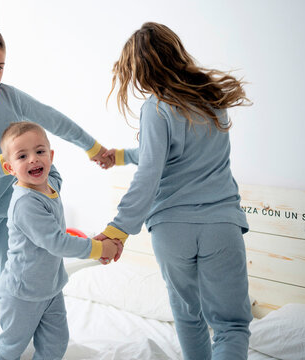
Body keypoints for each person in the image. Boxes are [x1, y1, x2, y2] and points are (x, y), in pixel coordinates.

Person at [95, 22, 253, 359]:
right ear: (176, 52)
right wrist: (122, 156)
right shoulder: (212, 99)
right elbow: (170, 153)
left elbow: (152, 169)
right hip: (220, 225)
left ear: (140, 71)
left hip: (171, 229)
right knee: (231, 326)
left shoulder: (156, 107)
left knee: (188, 316)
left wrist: (117, 229)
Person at [0, 24, 113, 324]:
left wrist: (92, 147)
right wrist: (5, 162)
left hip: (8, 212)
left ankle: (11, 344)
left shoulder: (11, 98)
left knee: (13, 286)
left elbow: (53, 120)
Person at [0, 121, 120, 360]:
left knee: (56, 342)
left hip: (51, 288)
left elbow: (54, 172)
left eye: (40, 152)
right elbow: (58, 243)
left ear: (51, 156)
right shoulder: (25, 203)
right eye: (23, 156)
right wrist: (99, 247)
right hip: (22, 293)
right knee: (12, 346)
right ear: (9, 167)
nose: (33, 159)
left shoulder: (50, 184)